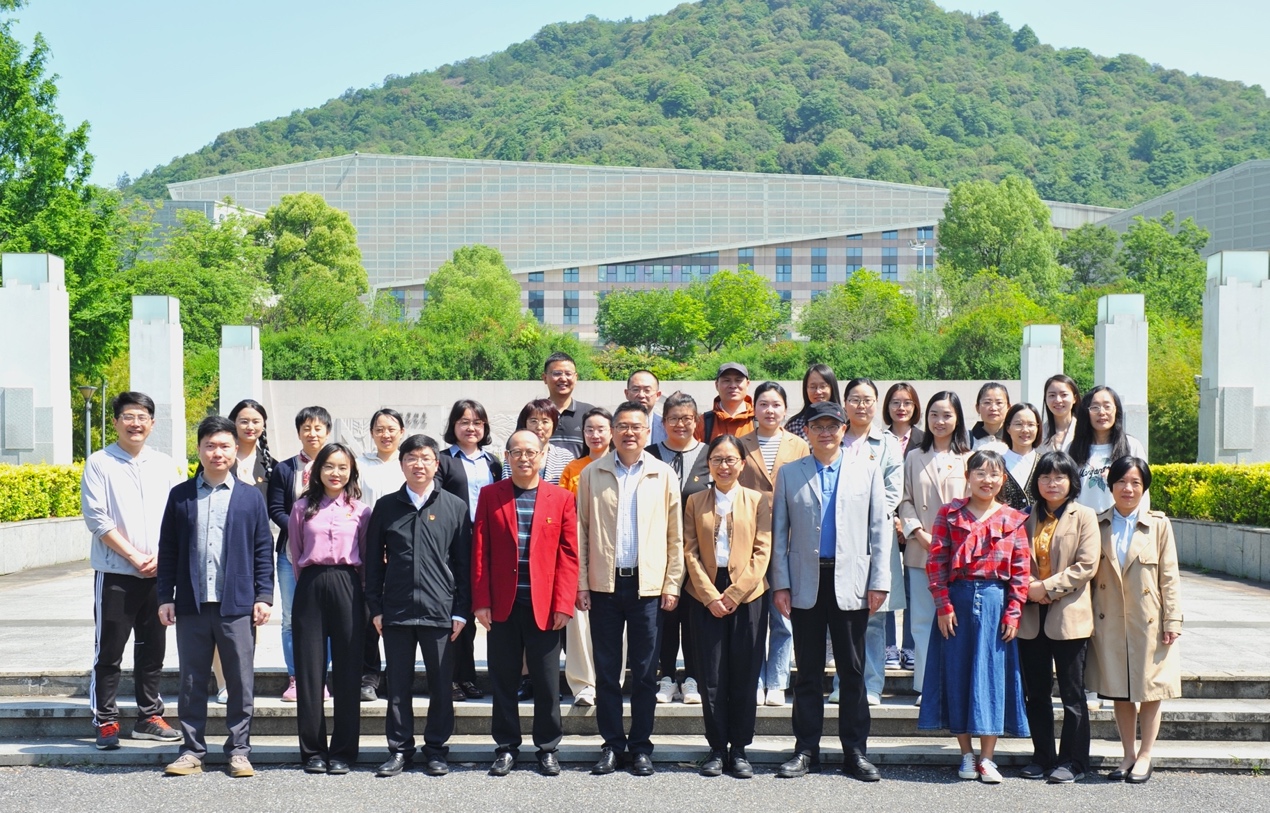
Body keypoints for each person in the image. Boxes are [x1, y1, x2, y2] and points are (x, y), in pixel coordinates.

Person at [769, 401, 888, 782]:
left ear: (843, 429)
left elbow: (879, 529)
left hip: (851, 582)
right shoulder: (790, 473)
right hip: (806, 581)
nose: (825, 432)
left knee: (852, 671)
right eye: (817, 426)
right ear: (806, 431)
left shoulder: (867, 470)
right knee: (807, 672)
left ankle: (855, 751)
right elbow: (779, 532)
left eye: (832, 426)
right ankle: (806, 750)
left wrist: (879, 581)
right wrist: (781, 583)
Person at [156, 416, 275, 777]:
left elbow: (262, 549)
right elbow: (168, 549)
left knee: (239, 680)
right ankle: (192, 751)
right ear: (199, 449)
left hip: (236, 604)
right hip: (192, 603)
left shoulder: (250, 497)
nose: (217, 453)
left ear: (236, 449)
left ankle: (239, 751)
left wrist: (264, 595)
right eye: (210, 445)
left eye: (224, 446)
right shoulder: (180, 495)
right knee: (192, 680)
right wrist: (165, 596)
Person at [576, 401, 684, 777]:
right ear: (612, 431)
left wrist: (672, 582)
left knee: (644, 672)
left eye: (636, 426)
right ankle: (611, 745)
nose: (629, 432)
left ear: (647, 431)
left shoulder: (662, 473)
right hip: (604, 586)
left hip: (647, 587)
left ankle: (640, 747)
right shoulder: (593, 473)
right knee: (607, 673)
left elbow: (675, 535)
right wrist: (582, 583)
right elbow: (581, 531)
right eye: (622, 426)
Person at [917, 450, 1030, 785]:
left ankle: (987, 758)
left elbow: (1021, 571)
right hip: (957, 602)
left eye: (994, 474)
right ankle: (966, 754)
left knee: (992, 677)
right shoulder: (949, 514)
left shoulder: (1014, 519)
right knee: (957, 674)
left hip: (996, 603)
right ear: (968, 477)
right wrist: (943, 605)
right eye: (980, 473)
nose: (987, 480)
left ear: (1003, 480)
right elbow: (936, 562)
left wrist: (1013, 612)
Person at [472, 430, 579, 778]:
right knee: (503, 680)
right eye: (517, 452)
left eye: (531, 452)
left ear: (542, 455)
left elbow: (568, 555)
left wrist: (564, 603)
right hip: (502, 605)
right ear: (507, 457)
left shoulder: (561, 498)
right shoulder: (491, 495)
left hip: (544, 606)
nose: (524, 458)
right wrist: (481, 601)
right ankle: (506, 747)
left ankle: (547, 748)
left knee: (547, 682)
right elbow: (480, 551)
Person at [81, 391, 185, 750]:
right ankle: (106, 720)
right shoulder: (100, 462)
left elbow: (177, 516)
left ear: (152, 424)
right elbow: (97, 518)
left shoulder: (165, 464)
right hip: (115, 573)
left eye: (142, 417)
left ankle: (149, 716)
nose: (135, 423)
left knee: (153, 648)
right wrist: (133, 555)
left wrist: (160, 557)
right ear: (115, 422)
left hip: (158, 573)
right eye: (128, 416)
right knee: (109, 650)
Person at [365, 434, 472, 778]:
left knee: (441, 686)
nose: (419, 464)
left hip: (440, 611)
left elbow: (464, 564)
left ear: (436, 464)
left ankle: (436, 750)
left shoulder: (454, 506)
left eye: (426, 458)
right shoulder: (386, 507)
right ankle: (399, 750)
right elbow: (372, 563)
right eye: (411, 458)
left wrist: (461, 609)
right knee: (398, 686)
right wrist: (376, 608)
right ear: (402, 464)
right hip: (396, 610)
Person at [1085, 457, 1182, 785]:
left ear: (1144, 488)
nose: (1128, 489)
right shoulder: (1097, 524)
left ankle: (1145, 754)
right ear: (1111, 485)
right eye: (1121, 482)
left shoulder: (1158, 525)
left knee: (1150, 689)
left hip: (1148, 619)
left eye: (1136, 483)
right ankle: (1128, 753)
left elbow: (1170, 576)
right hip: (1109, 619)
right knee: (1120, 689)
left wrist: (1173, 620)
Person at [683, 435, 771, 779]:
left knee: (745, 674)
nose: (723, 466)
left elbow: (762, 551)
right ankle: (717, 748)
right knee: (712, 674)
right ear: (708, 464)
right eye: (717, 459)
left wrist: (734, 593)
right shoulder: (695, 501)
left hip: (748, 594)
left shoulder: (757, 500)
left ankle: (740, 749)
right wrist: (710, 595)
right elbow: (689, 550)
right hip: (705, 594)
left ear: (742, 464)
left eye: (730, 460)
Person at [287, 442, 372, 774]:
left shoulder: (361, 511)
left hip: (349, 585)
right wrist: (311, 582)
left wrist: (362, 597)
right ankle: (313, 751)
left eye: (342, 467)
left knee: (349, 672)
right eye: (329, 466)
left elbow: (366, 558)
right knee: (309, 672)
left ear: (351, 472)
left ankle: (343, 751)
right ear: (317, 470)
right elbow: (296, 553)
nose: (335, 473)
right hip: (310, 585)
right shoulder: (301, 508)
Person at [1018, 451, 1100, 784]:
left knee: (1072, 694)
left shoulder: (1085, 516)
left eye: (1059, 477)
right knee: (1036, 694)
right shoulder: (1024, 516)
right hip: (1030, 617)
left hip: (1068, 616)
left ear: (1071, 481)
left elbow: (1086, 565)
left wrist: (1046, 588)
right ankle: (1042, 757)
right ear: (1036, 482)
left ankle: (1074, 761)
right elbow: (1015, 559)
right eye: (1045, 477)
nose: (1052, 483)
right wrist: (1029, 587)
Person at [898, 391, 971, 706]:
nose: (940, 421)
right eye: (934, 415)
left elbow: (976, 503)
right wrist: (918, 532)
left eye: (947, 415)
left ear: (958, 419)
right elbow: (905, 500)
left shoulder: (969, 457)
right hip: (921, 550)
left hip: (959, 553)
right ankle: (927, 687)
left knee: (956, 621)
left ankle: (954, 686)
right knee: (923, 621)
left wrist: (953, 539)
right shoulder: (914, 456)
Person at [737, 382, 808, 707]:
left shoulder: (799, 445)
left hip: (788, 539)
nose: (769, 410)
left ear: (785, 409)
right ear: (755, 408)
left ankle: (777, 681)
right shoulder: (741, 444)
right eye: (764, 404)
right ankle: (753, 679)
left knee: (783, 615)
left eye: (776, 404)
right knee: (751, 619)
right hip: (749, 540)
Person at [840, 378, 904, 709]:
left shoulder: (888, 444)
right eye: (855, 399)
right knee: (841, 615)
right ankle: (842, 683)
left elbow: (894, 491)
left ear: (876, 404)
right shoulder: (834, 438)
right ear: (845, 403)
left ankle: (873, 684)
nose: (861, 405)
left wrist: (862, 517)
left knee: (875, 616)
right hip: (839, 539)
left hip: (876, 537)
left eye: (867, 399)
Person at [645, 393, 710, 706]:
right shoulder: (649, 456)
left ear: (696, 421)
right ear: (664, 422)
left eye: (687, 418)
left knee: (696, 617)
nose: (680, 424)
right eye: (673, 418)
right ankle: (667, 676)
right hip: (658, 551)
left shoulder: (710, 455)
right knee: (666, 615)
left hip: (701, 554)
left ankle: (694, 677)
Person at [438, 399, 502, 704]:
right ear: (453, 426)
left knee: (483, 607)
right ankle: (452, 677)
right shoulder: (443, 460)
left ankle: (468, 676)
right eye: (464, 422)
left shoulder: (494, 463)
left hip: (487, 542)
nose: (471, 428)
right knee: (456, 609)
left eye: (477, 422)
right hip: (455, 542)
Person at [212, 399, 275, 706]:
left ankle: (240, 680)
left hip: (253, 551)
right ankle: (223, 683)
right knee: (216, 615)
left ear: (263, 426)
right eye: (243, 420)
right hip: (218, 549)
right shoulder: (219, 457)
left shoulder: (271, 465)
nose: (250, 426)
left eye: (256, 421)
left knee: (249, 619)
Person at [267, 405, 332, 702]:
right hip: (290, 554)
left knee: (325, 618)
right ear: (298, 433)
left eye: (318, 428)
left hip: (327, 556)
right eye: (307, 428)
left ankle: (320, 678)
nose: (312, 433)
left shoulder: (338, 465)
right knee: (291, 618)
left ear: (327, 432)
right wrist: (300, 530)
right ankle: (295, 677)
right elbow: (275, 509)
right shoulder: (285, 469)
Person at [556, 407, 612, 708]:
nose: (595, 434)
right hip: (579, 551)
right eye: (589, 429)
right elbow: (565, 511)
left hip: (614, 553)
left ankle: (609, 681)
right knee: (579, 622)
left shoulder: (621, 465)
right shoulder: (573, 468)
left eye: (601, 429)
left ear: (612, 432)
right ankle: (583, 685)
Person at [357, 407, 406, 702]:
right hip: (368, 550)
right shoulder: (360, 464)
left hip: (402, 552)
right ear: (372, 433)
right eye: (379, 429)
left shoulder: (408, 462)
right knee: (368, 616)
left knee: (398, 619)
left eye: (391, 429)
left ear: (402, 432)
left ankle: (396, 676)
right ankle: (369, 676)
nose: (385, 434)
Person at [883, 383, 923, 671]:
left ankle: (909, 647)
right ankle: (888, 646)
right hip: (884, 523)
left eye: (907, 402)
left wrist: (907, 523)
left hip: (915, 525)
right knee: (884, 584)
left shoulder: (924, 440)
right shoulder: (879, 439)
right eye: (895, 402)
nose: (901, 408)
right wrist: (892, 518)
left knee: (912, 589)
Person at [1069, 386, 1148, 514]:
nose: (1101, 412)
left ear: (1116, 410)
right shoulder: (1073, 448)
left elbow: (1143, 490)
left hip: (1118, 521)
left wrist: (1141, 520)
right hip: (1082, 522)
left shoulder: (1132, 446)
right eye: (1095, 407)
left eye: (1107, 406)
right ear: (1086, 412)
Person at [504, 399, 573, 487]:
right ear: (525, 423)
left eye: (545, 421)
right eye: (533, 421)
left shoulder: (565, 457)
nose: (539, 427)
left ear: (554, 424)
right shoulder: (514, 455)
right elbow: (505, 487)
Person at [542, 352, 593, 459]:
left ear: (576, 378)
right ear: (545, 378)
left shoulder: (590, 413)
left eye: (568, 374)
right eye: (557, 373)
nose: (563, 378)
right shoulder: (534, 412)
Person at [695, 362, 755, 442]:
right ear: (717, 385)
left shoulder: (759, 420)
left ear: (747, 384)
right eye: (726, 380)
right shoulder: (702, 422)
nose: (733, 385)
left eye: (738, 380)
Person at [1000, 403, 1043, 512]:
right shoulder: (996, 465)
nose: (1025, 430)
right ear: (1008, 428)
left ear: (1038, 428)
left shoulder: (1045, 463)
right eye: (1018, 424)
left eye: (1031, 424)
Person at [783, 363, 840, 442]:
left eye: (823, 386)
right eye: (813, 387)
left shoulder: (845, 421)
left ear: (832, 388)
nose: (818, 391)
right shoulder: (794, 426)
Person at [625, 369, 666, 446]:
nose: (641, 395)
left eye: (647, 390)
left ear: (658, 395)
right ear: (627, 393)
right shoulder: (612, 426)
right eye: (636, 390)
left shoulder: (667, 427)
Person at [1040, 375, 1081, 453]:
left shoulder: (1086, 431)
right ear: (1045, 399)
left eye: (1064, 395)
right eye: (1052, 395)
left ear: (1074, 398)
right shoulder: (1039, 434)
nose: (1058, 400)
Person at [969, 382, 1011, 450]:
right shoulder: (966, 440)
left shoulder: (1015, 439)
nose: (993, 408)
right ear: (977, 408)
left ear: (1008, 407)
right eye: (987, 402)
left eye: (999, 403)